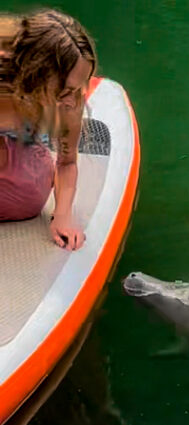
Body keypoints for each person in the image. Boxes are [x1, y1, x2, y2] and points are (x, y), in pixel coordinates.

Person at [0, 9, 97, 250]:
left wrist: (62, 216)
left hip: (24, 182)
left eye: (79, 87)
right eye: (66, 88)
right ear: (37, 72)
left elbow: (67, 163)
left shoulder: (70, 104)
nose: (72, 99)